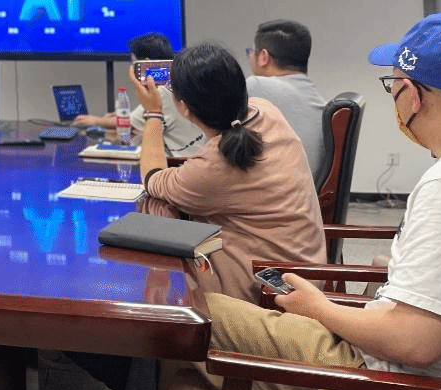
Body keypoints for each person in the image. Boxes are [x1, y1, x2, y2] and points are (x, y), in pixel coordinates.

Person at [159, 12, 441, 390]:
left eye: (392, 85)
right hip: (401, 369)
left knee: (184, 309)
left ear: (411, 95)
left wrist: (318, 308)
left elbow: (417, 342)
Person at [136, 41, 326, 302]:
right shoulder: (266, 111)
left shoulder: (213, 165)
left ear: (184, 108)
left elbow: (152, 178)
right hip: (305, 274)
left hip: (270, 293)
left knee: (154, 268)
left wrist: (153, 112)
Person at [73, 32, 206, 156]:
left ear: (145, 63)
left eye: (134, 63)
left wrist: (96, 121)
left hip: (179, 162)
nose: (131, 68)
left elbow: (130, 123)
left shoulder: (163, 90)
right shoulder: (180, 80)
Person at [245, 19, 327, 173]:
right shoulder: (317, 100)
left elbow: (210, 147)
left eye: (251, 52)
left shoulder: (256, 86)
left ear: (263, 57)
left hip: (274, 186)